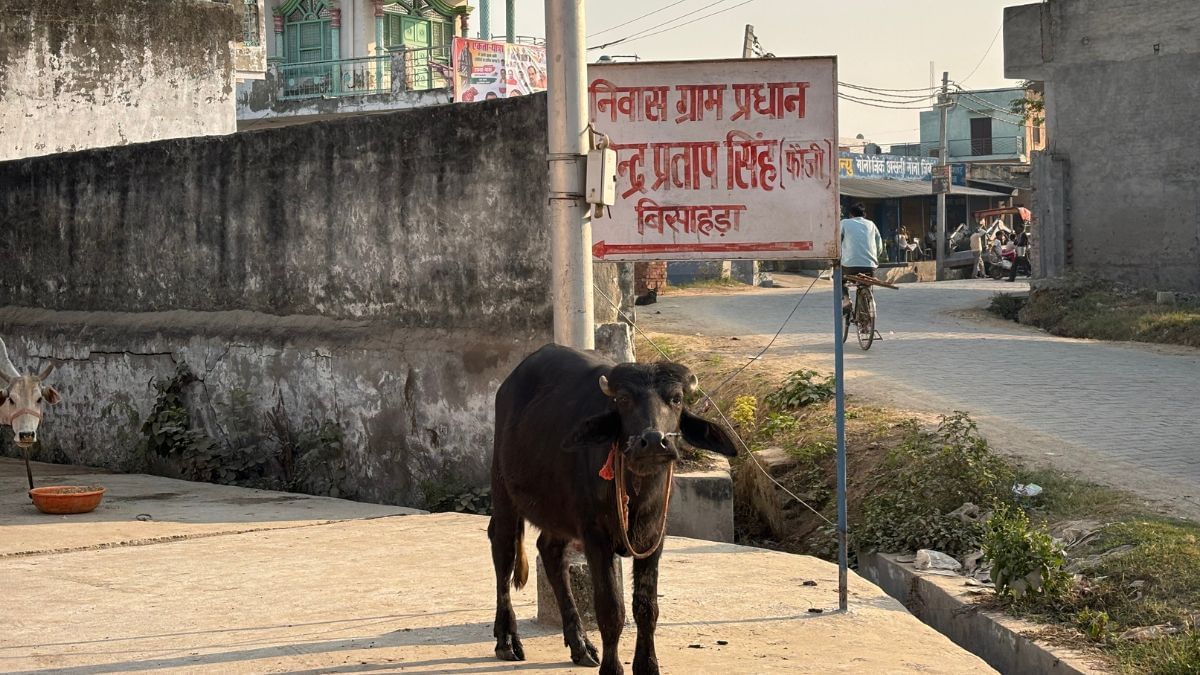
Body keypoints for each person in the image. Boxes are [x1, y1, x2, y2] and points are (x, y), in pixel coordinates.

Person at [840, 203, 883, 312]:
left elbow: (836, 242)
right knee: (867, 281)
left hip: (850, 266)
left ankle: (845, 299)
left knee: (839, 278)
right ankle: (868, 303)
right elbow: (879, 246)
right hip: (870, 266)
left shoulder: (844, 223)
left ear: (850, 214)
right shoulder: (871, 224)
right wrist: (874, 258)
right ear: (864, 214)